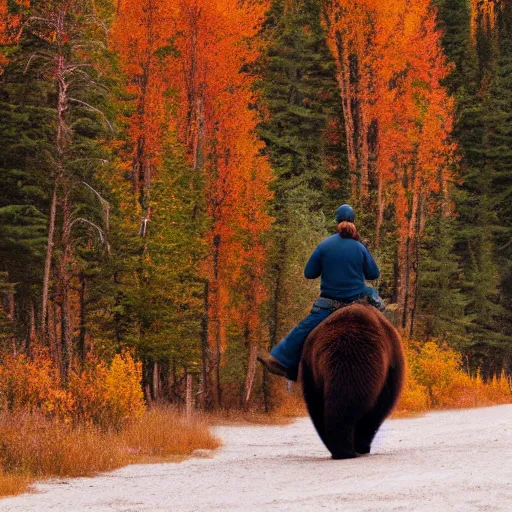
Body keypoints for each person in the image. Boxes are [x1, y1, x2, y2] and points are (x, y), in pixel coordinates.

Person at [258, 204, 385, 381]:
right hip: (357, 299)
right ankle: (391, 361)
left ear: (337, 221)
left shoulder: (324, 245)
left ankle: (281, 360)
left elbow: (309, 273)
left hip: (329, 303)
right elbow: (374, 274)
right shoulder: (360, 247)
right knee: (381, 319)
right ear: (353, 221)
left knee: (304, 328)